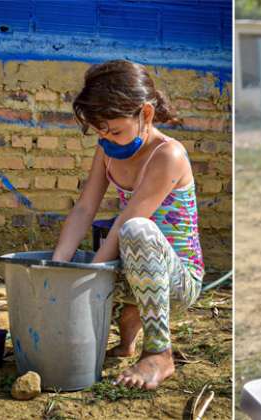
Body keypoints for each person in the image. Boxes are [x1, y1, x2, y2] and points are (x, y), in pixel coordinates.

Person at [52, 59, 204, 390]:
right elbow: (84, 209)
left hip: (178, 279)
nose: (106, 138)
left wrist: (91, 278)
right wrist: (57, 266)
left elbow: (130, 219)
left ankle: (160, 354)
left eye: (115, 130)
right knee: (95, 257)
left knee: (134, 230)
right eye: (100, 131)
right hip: (138, 266)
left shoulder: (168, 155)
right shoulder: (108, 151)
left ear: (145, 115)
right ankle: (128, 333)